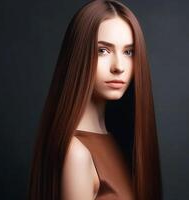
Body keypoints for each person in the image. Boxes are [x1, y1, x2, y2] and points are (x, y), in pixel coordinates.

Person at [27, 0, 162, 200]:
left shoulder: (120, 141)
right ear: (78, 56)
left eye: (128, 52)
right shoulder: (77, 154)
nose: (119, 66)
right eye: (103, 50)